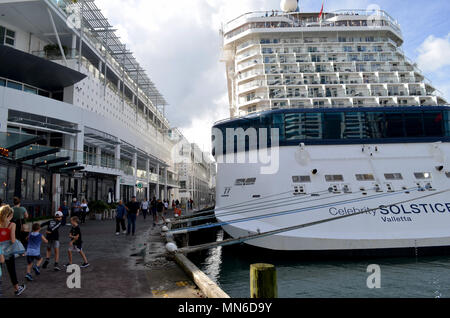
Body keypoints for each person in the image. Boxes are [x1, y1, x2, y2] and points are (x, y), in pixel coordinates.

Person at [0, 205, 26, 296]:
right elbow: (13, 240)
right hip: (8, 251)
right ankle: (16, 289)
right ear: (9, 215)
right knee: (11, 269)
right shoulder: (12, 224)